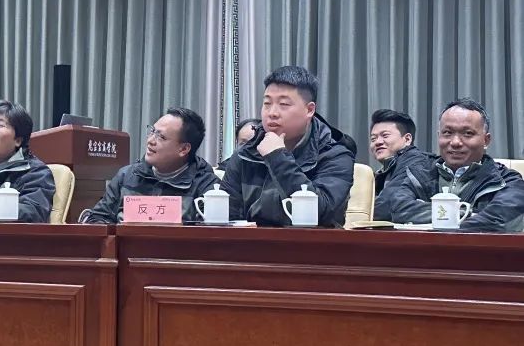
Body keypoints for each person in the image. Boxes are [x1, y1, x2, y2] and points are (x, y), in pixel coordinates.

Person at [219, 66, 355, 227]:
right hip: (252, 241)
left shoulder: (335, 155)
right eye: (267, 103)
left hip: (311, 242)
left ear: (309, 110)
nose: (272, 113)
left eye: (283, 104)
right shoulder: (245, 153)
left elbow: (321, 213)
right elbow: (226, 215)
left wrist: (277, 157)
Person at [383, 99, 524, 232]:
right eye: (447, 133)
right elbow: (398, 209)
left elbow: (499, 220)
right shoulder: (418, 174)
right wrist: (468, 213)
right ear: (439, 136)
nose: (455, 142)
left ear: (486, 140)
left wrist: (432, 216)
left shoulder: (508, 181)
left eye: (467, 133)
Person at [80, 108, 219, 224]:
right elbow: (97, 219)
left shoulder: (206, 186)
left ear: (183, 149)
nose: (151, 141)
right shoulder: (127, 176)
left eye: (161, 137)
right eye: (152, 132)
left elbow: (210, 235)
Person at [369, 109, 433, 220]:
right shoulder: (386, 169)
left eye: (385, 135)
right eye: (373, 138)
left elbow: (386, 206)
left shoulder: (415, 162)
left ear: (407, 139)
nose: (378, 142)